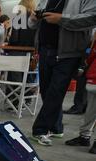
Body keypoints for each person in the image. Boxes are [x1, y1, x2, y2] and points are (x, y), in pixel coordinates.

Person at [29, 0, 96, 147]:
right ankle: (56, 127)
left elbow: (91, 18)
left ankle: (40, 129)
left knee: (55, 92)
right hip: (44, 50)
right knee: (47, 92)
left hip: (69, 53)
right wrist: (33, 18)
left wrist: (61, 19)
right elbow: (32, 24)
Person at [66, 31, 96, 154]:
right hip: (94, 78)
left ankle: (85, 136)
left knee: (91, 110)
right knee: (90, 110)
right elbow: (91, 56)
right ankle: (84, 136)